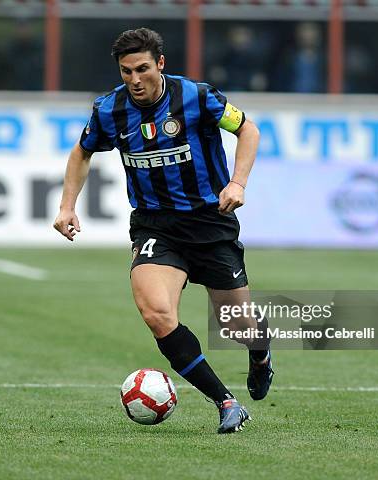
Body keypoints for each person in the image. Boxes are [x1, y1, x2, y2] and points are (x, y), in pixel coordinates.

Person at [53, 28, 273, 434]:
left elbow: (249, 130)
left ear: (160, 64)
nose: (134, 80)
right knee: (157, 314)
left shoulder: (197, 97)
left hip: (210, 221)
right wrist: (67, 206)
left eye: (142, 69)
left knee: (235, 325)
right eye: (125, 72)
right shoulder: (109, 110)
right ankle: (226, 402)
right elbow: (82, 151)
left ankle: (260, 353)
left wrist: (237, 183)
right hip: (155, 226)